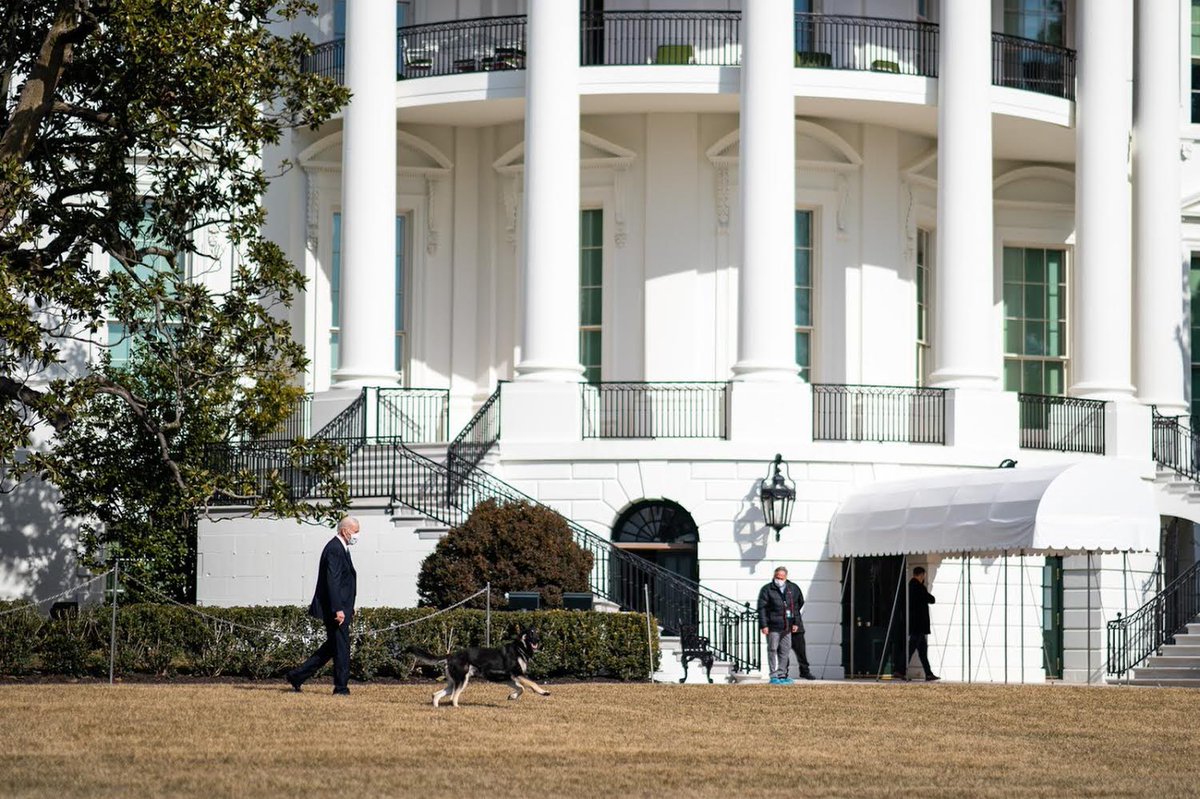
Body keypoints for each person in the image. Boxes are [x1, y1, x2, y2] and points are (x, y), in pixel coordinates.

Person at [286, 516, 360, 695]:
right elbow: (332, 581)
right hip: (336, 610)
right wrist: (338, 609)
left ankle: (297, 676)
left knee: (332, 647)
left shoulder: (341, 549)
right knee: (341, 648)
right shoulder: (334, 549)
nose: (357, 535)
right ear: (345, 531)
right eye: (355, 531)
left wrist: (349, 606)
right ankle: (341, 687)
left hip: (342, 608)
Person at [757, 566, 804, 684]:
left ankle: (782, 674)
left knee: (785, 650)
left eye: (782, 578)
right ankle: (773, 675)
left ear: (786, 577)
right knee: (772, 649)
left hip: (787, 625)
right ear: (774, 576)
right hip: (773, 626)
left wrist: (796, 622)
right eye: (777, 577)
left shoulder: (792, 588)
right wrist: (764, 625)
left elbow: (797, 606)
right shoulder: (767, 589)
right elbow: (762, 608)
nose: (779, 580)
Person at [893, 565, 939, 682]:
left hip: (914, 623)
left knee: (922, 651)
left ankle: (928, 673)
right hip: (918, 624)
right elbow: (931, 599)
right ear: (921, 575)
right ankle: (900, 670)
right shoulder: (918, 587)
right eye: (923, 575)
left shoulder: (909, 586)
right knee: (911, 648)